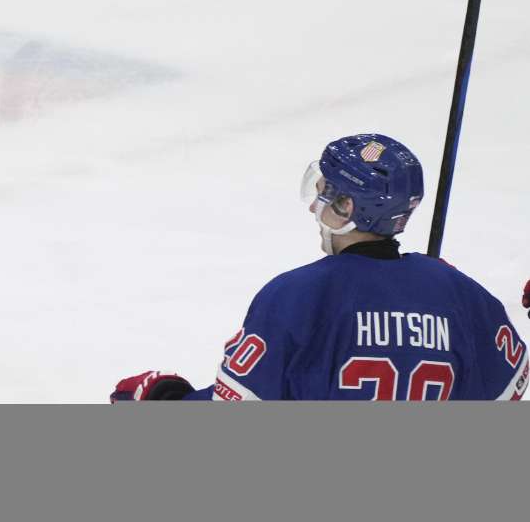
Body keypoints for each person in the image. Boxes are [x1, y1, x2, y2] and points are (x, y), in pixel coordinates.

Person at [112, 133, 529, 401]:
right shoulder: (457, 291)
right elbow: (509, 389)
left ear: (349, 207)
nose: (317, 204)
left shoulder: (298, 296)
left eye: (328, 192)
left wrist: (162, 399)